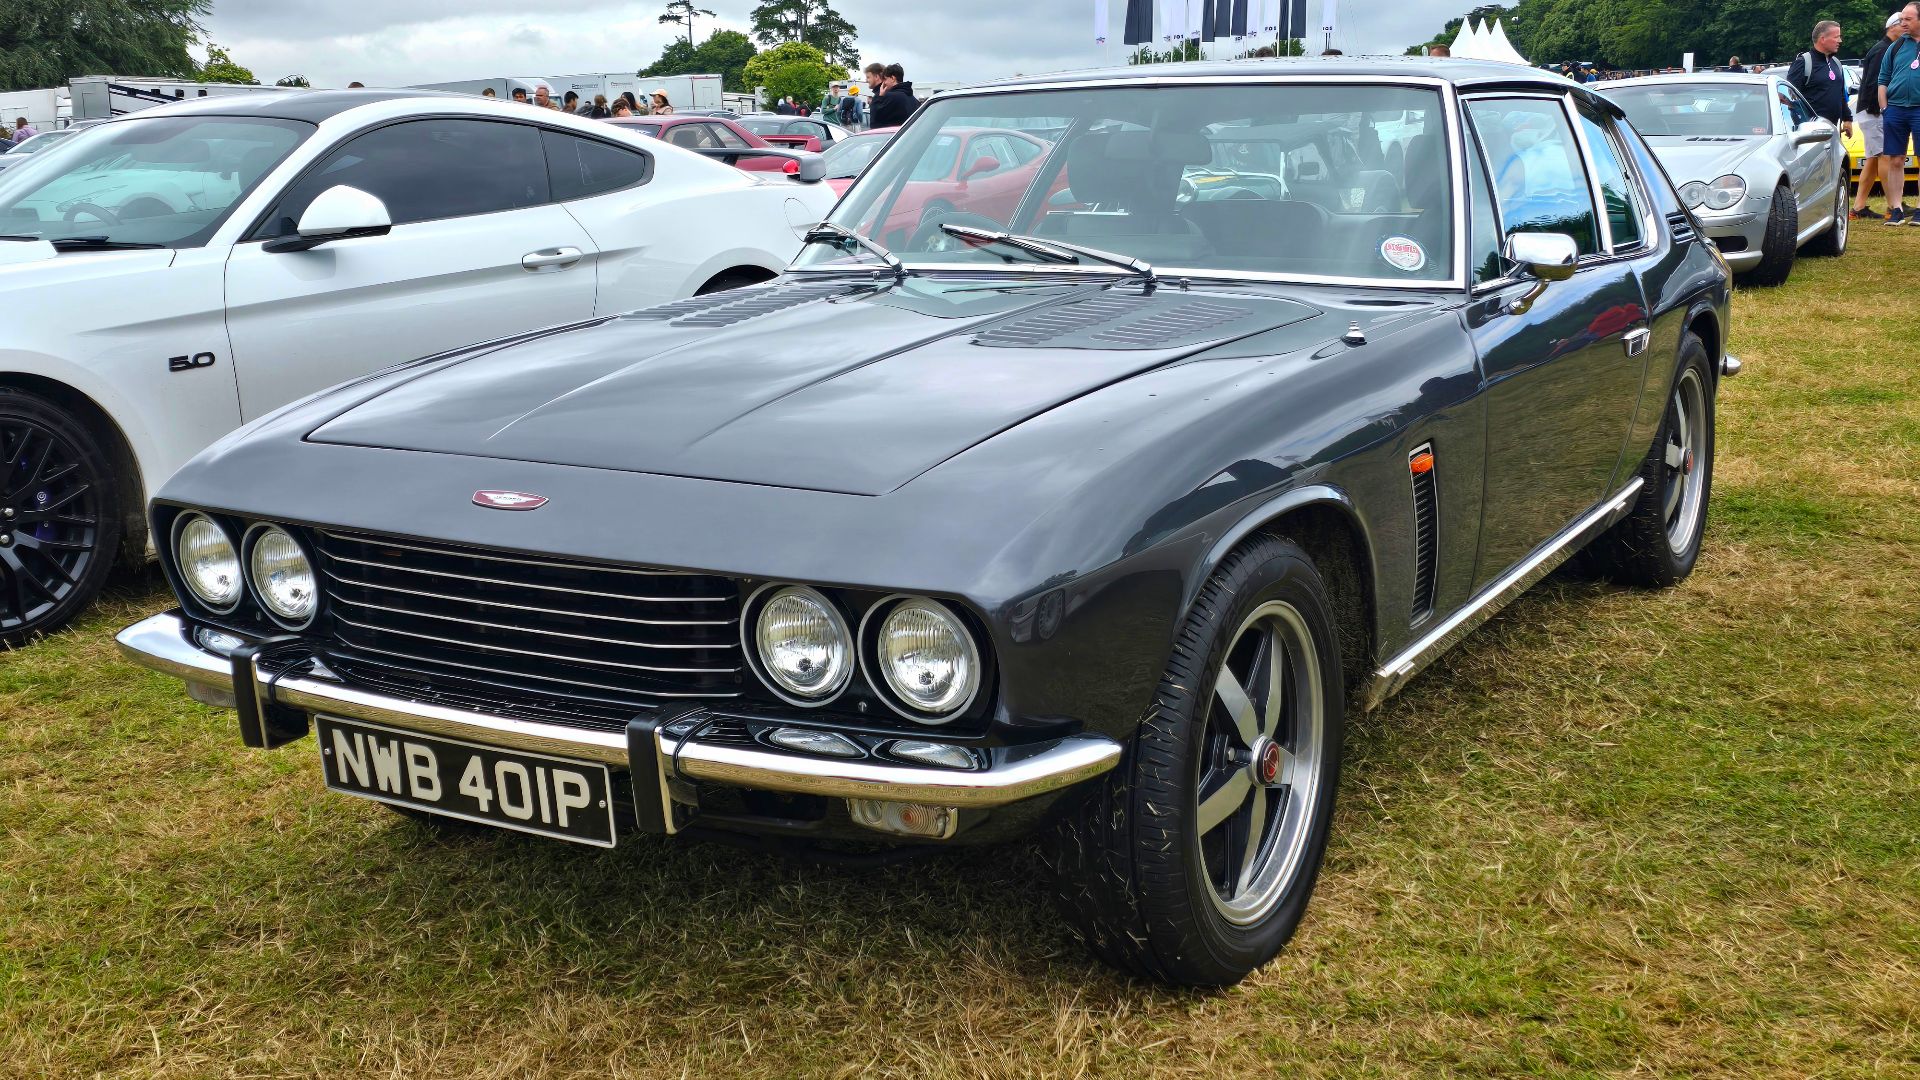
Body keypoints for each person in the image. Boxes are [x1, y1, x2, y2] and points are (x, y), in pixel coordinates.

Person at [1853, 13, 1904, 219]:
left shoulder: (1885, 48)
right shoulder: (1883, 50)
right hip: (1873, 111)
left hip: (1871, 111)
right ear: (1892, 27)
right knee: (1885, 156)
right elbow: (1875, 84)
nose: (1906, 29)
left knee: (1873, 160)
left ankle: (1858, 207)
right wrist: (1884, 109)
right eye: (1903, 25)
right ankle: (1893, 206)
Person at [1879, 3, 1920, 225]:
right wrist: (1885, 108)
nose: (1902, 23)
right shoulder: (1895, 47)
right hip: (1895, 110)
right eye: (1901, 19)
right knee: (1895, 159)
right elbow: (1882, 79)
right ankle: (1896, 208)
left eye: (1908, 19)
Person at [1787, 20, 1852, 138]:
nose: (1840, 41)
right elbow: (1790, 99)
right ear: (1823, 39)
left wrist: (1847, 118)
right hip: (1810, 134)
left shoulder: (1836, 63)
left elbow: (1840, 94)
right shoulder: (1803, 63)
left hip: (1833, 131)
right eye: (1836, 37)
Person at [870, 64, 918, 128]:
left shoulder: (890, 97)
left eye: (885, 79)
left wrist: (879, 97)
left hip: (892, 136)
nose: (884, 83)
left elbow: (874, 122)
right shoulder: (914, 99)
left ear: (893, 78)